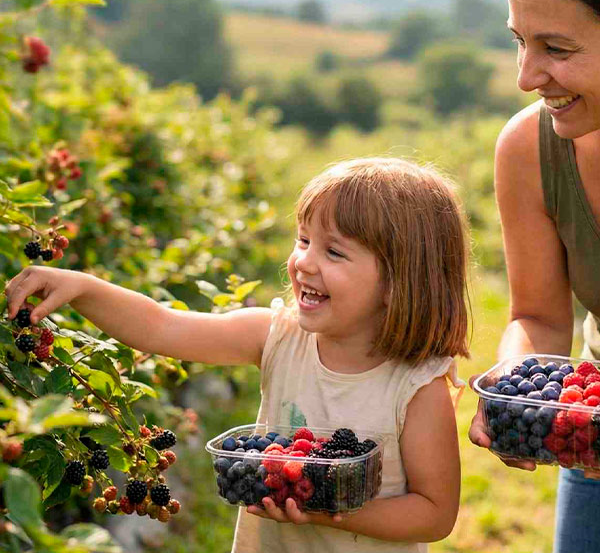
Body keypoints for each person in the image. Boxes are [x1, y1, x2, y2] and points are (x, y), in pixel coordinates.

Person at [6, 157, 469, 553]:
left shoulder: (415, 386)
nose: (305, 262)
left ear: (397, 282)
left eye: (334, 252)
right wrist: (84, 288)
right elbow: (160, 326)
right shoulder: (276, 337)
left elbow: (434, 513)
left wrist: (329, 511)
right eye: (304, 240)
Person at [467, 0, 600, 552]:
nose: (526, 76)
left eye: (557, 48)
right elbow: (541, 317)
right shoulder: (530, 148)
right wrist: (519, 383)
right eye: (520, 41)